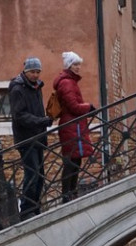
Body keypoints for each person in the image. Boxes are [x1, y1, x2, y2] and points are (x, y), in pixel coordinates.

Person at [8, 56, 53, 220]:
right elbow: (19, 116)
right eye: (33, 72)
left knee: (39, 174)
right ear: (26, 71)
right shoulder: (18, 89)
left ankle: (34, 206)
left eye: (38, 72)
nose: (35, 75)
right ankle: (26, 210)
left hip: (39, 136)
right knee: (32, 173)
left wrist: (46, 119)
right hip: (26, 139)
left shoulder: (36, 87)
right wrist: (41, 121)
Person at [52, 52, 97, 202]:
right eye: (75, 65)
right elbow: (73, 106)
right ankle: (67, 195)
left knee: (75, 160)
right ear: (68, 66)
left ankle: (71, 193)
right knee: (71, 161)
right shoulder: (67, 83)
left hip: (73, 124)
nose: (78, 67)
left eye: (79, 64)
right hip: (71, 125)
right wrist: (89, 107)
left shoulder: (70, 82)